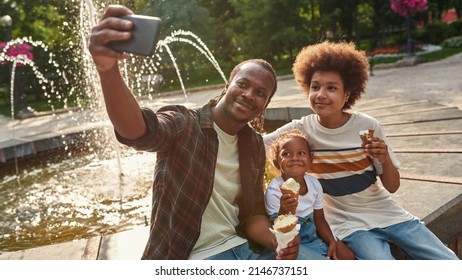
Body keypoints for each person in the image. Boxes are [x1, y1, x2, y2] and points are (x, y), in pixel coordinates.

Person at [88, 4, 326, 260]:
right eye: (243, 84)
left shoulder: (253, 143)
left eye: (260, 93)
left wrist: (276, 241)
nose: (249, 95)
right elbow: (139, 131)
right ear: (228, 86)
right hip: (194, 257)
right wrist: (107, 70)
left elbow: (254, 214)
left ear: (264, 106)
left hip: (247, 250)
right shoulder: (184, 124)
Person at [263, 41, 459, 260]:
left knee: (448, 262)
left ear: (347, 94)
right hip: (347, 225)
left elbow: (392, 187)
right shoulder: (301, 129)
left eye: (332, 88)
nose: (321, 94)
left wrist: (384, 158)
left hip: (388, 213)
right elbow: (258, 144)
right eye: (315, 86)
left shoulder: (369, 126)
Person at [265, 129, 355, 260]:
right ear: (276, 162)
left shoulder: (313, 184)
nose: (295, 157)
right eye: (287, 153)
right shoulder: (274, 191)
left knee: (349, 257)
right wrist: (285, 208)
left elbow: (319, 219)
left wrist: (331, 241)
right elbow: (279, 228)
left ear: (310, 160)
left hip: (313, 232)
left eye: (301, 153)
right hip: (293, 240)